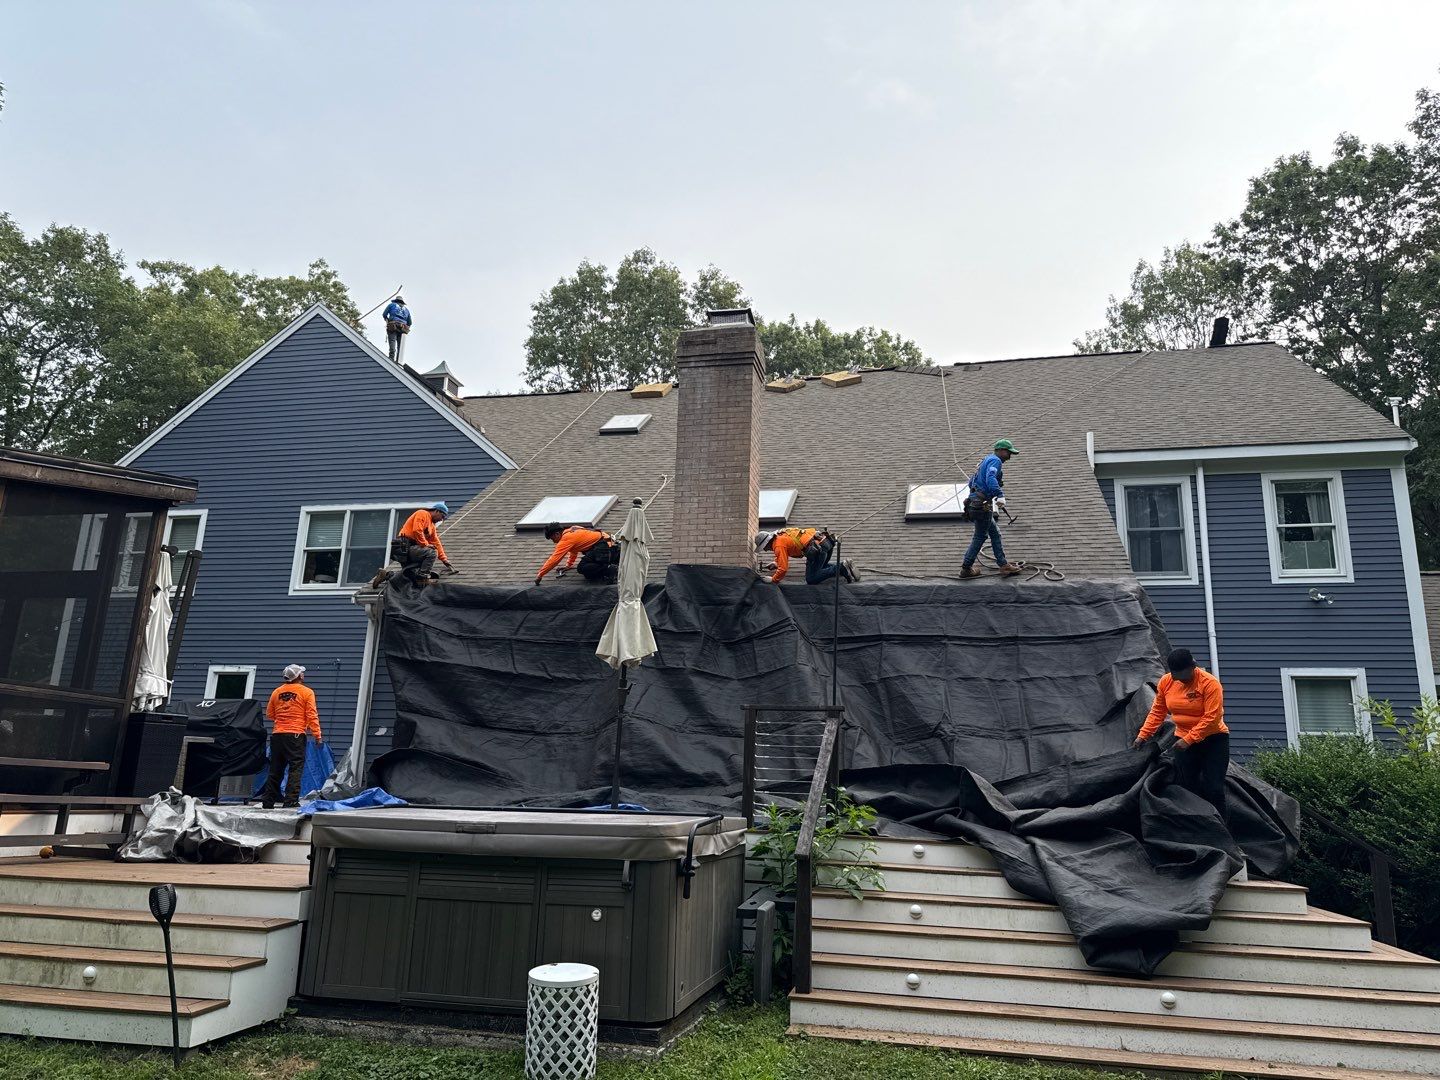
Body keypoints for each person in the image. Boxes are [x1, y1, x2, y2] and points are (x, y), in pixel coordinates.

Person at [1134, 647, 1230, 818]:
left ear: (1192, 667)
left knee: (1213, 788)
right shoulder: (1166, 682)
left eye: (1184, 676)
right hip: (1184, 740)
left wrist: (1189, 739)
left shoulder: (1209, 683)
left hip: (1213, 740)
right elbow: (1158, 711)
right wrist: (1143, 735)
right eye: (1176, 676)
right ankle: (1193, 827)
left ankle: (1222, 830)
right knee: (1187, 788)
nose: (1181, 681)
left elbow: (1212, 718)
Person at [261, 664, 322, 809]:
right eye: (302, 673)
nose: (303, 675)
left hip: (277, 735)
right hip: (295, 735)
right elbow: (312, 715)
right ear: (299, 676)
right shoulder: (307, 692)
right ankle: (291, 801)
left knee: (275, 769)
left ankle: (268, 801)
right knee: (295, 768)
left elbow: (270, 714)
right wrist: (317, 735)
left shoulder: (277, 692)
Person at [960, 439, 1023, 578]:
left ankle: (1003, 565)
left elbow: (971, 482)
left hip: (975, 504)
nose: (1010, 456)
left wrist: (977, 496)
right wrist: (999, 495)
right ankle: (966, 568)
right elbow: (990, 478)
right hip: (981, 506)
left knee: (995, 533)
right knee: (980, 536)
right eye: (1008, 453)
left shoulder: (985, 460)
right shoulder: (996, 461)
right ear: (1000, 451)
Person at [380, 503, 453, 586]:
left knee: (409, 577)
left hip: (409, 547)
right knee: (431, 553)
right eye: (442, 516)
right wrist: (425, 544)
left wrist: (444, 559)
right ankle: (423, 578)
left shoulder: (432, 526)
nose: (441, 520)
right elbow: (417, 530)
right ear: (437, 511)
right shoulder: (423, 513)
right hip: (404, 545)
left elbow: (436, 542)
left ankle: (385, 575)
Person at [754, 527, 858, 585]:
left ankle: (842, 567)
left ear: (767, 543)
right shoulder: (781, 535)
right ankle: (843, 568)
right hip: (826, 543)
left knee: (811, 578)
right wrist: (776, 562)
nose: (765, 550)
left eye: (764, 547)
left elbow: (783, 569)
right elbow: (785, 549)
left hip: (818, 550)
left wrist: (773, 579)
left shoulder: (778, 545)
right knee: (820, 569)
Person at [535, 522, 619, 584]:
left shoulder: (566, 539)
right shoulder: (572, 531)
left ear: (557, 534)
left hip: (604, 546)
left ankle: (610, 569)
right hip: (606, 544)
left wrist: (540, 575)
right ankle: (611, 564)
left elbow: (554, 559)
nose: (553, 542)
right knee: (588, 574)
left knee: (582, 568)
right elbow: (573, 551)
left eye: (552, 539)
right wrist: (568, 565)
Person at [383, 295, 412, 362]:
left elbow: (384, 314)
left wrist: (387, 320)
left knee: (392, 342)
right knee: (400, 346)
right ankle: (398, 362)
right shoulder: (406, 310)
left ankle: (391, 360)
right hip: (402, 329)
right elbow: (410, 322)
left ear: (396, 300)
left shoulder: (391, 305)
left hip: (393, 326)